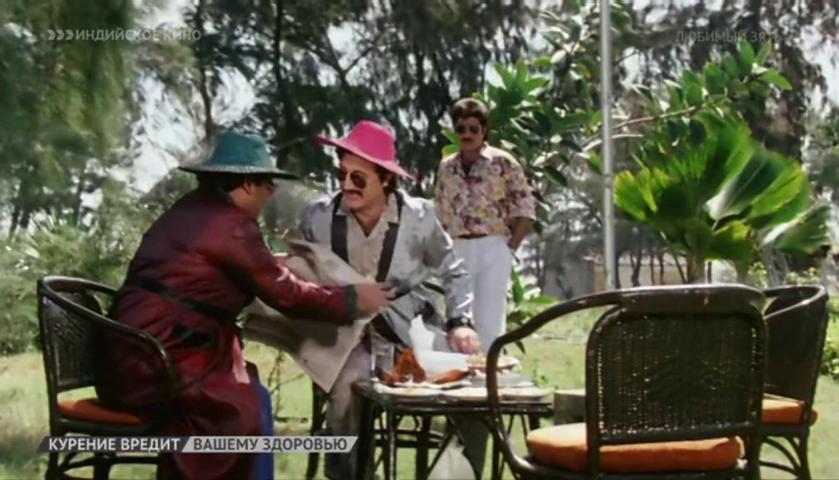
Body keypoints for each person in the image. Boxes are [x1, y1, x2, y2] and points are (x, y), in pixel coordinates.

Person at [95, 131, 391, 480]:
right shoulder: (230, 225)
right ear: (248, 184)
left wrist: (269, 263)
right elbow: (288, 296)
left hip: (134, 354)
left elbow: (228, 268)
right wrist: (356, 298)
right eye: (267, 183)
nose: (272, 191)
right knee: (241, 408)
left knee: (254, 395)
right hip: (154, 363)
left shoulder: (195, 209)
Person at [300, 120, 487, 479]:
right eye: (342, 175)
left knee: (476, 392)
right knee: (349, 388)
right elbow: (302, 278)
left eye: (358, 178)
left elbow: (455, 272)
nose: (346, 185)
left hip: (408, 329)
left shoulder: (419, 217)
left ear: (386, 178)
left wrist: (460, 322)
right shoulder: (318, 217)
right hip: (343, 334)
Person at [435, 98, 537, 351]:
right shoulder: (447, 167)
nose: (467, 135)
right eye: (461, 129)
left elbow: (525, 208)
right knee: (459, 318)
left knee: (490, 320)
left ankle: (491, 371)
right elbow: (440, 212)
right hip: (457, 247)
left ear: (484, 130)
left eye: (473, 128)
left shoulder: (503, 163)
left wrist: (509, 249)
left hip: (493, 246)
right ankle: (462, 372)